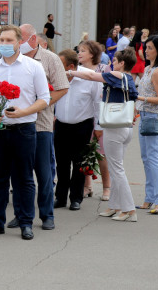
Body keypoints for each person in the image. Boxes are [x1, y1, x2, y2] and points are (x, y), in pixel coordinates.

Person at [0, 25, 50, 240]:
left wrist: (24, 112)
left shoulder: (32, 67)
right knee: (0, 178)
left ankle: (26, 222)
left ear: (19, 42)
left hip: (24, 129)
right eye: (1, 40)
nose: (4, 44)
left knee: (24, 178)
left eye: (9, 40)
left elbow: (44, 98)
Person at [6, 24, 69, 231]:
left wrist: (40, 103)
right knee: (19, 173)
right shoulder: (12, 60)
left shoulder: (50, 59)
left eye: (20, 39)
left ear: (33, 40)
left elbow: (62, 87)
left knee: (43, 173)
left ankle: (46, 215)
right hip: (17, 124)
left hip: (40, 124)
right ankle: (20, 214)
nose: (17, 43)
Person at [70, 48, 139, 222]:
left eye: (114, 60)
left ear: (122, 63)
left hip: (114, 127)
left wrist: (71, 72)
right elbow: (134, 99)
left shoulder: (116, 75)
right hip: (124, 127)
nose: (111, 63)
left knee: (117, 170)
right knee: (117, 168)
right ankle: (115, 206)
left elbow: (92, 76)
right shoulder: (129, 79)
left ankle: (128, 209)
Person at [54, 49, 102, 211]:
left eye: (60, 66)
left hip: (82, 125)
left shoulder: (89, 77)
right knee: (61, 163)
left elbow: (97, 104)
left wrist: (98, 127)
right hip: (60, 125)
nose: (56, 69)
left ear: (71, 66)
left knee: (79, 163)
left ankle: (76, 198)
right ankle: (60, 197)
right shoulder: (56, 77)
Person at [135, 35, 158, 214]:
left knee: (154, 158)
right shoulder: (149, 68)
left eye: (149, 48)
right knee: (146, 158)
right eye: (145, 47)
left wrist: (139, 98)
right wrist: (137, 109)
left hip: (155, 118)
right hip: (145, 116)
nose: (145, 51)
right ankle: (149, 198)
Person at [77, 40, 111, 201]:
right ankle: (87, 186)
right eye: (78, 51)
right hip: (82, 116)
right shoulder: (76, 69)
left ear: (92, 53)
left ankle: (106, 187)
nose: (79, 53)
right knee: (84, 153)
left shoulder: (103, 69)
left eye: (82, 51)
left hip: (100, 116)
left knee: (101, 154)